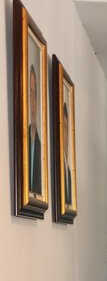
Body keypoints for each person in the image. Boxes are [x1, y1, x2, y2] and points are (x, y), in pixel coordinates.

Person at [27, 63, 43, 197]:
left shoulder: (39, 143)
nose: (32, 98)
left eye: (35, 92)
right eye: (29, 92)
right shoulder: (22, 139)